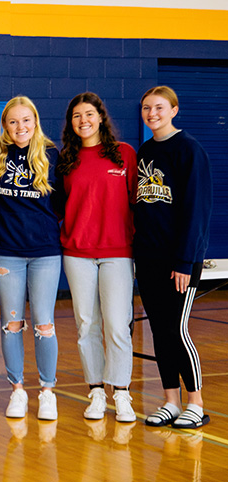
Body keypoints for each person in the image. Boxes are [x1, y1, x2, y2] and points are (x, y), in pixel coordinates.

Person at [57, 92, 138, 423]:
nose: (83, 121)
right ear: (71, 123)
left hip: (118, 253)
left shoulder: (124, 155)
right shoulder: (66, 160)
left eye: (89, 114)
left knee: (118, 326)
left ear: (101, 117)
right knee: (86, 325)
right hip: (77, 253)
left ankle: (121, 393)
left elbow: (138, 202)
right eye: (76, 116)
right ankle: (95, 393)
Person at [135, 86, 213, 428]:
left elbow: (197, 211)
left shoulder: (190, 150)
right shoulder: (146, 150)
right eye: (147, 108)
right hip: (148, 258)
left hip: (179, 261)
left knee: (177, 329)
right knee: (158, 331)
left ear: (174, 110)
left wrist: (184, 261)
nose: (152, 113)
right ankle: (170, 400)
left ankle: (195, 402)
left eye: (159, 108)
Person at [0, 97, 62, 421]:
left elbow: (60, 204)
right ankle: (17, 390)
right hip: (7, 252)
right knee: (11, 324)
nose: (21, 127)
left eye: (26, 120)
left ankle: (47, 392)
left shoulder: (51, 154)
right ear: (5, 125)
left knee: (44, 324)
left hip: (45, 252)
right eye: (13, 121)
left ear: (35, 121)